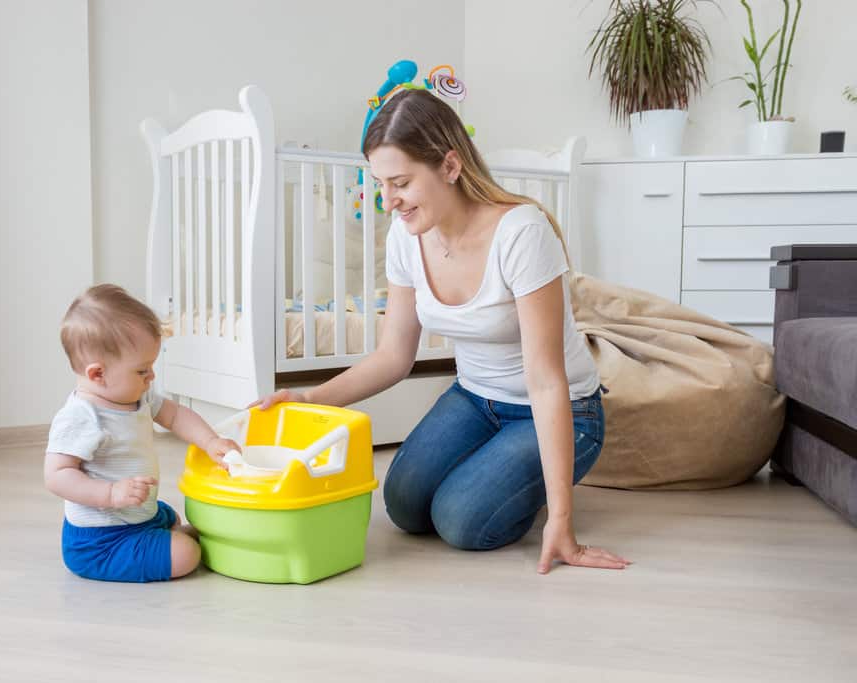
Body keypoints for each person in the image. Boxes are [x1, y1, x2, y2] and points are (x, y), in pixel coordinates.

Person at [254, 90, 629, 574]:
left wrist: (562, 521)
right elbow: (394, 356)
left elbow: (546, 380)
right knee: (404, 504)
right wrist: (312, 398)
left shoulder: (521, 233)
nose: (389, 202)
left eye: (401, 183)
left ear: (450, 167)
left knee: (460, 521)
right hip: (475, 397)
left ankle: (534, 483)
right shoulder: (406, 238)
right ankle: (503, 471)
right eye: (381, 185)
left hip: (563, 409)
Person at [43, 284, 239, 582]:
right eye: (142, 370)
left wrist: (210, 441)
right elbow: (57, 476)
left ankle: (163, 537)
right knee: (188, 555)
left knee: (171, 516)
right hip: (100, 541)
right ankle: (170, 544)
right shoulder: (81, 417)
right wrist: (110, 493)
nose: (152, 376)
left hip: (136, 514)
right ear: (98, 374)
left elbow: (174, 415)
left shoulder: (138, 397)